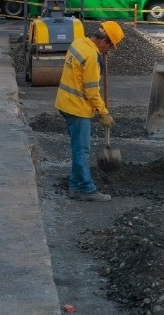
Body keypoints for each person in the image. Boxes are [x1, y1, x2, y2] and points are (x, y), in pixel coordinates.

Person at [54, 21, 125, 202]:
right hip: (77, 108)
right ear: (104, 41)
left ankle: (75, 186)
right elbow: (92, 91)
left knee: (78, 148)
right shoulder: (92, 56)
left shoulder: (78, 43)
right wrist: (103, 112)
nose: (108, 51)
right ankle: (87, 189)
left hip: (65, 103)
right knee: (81, 151)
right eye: (110, 47)